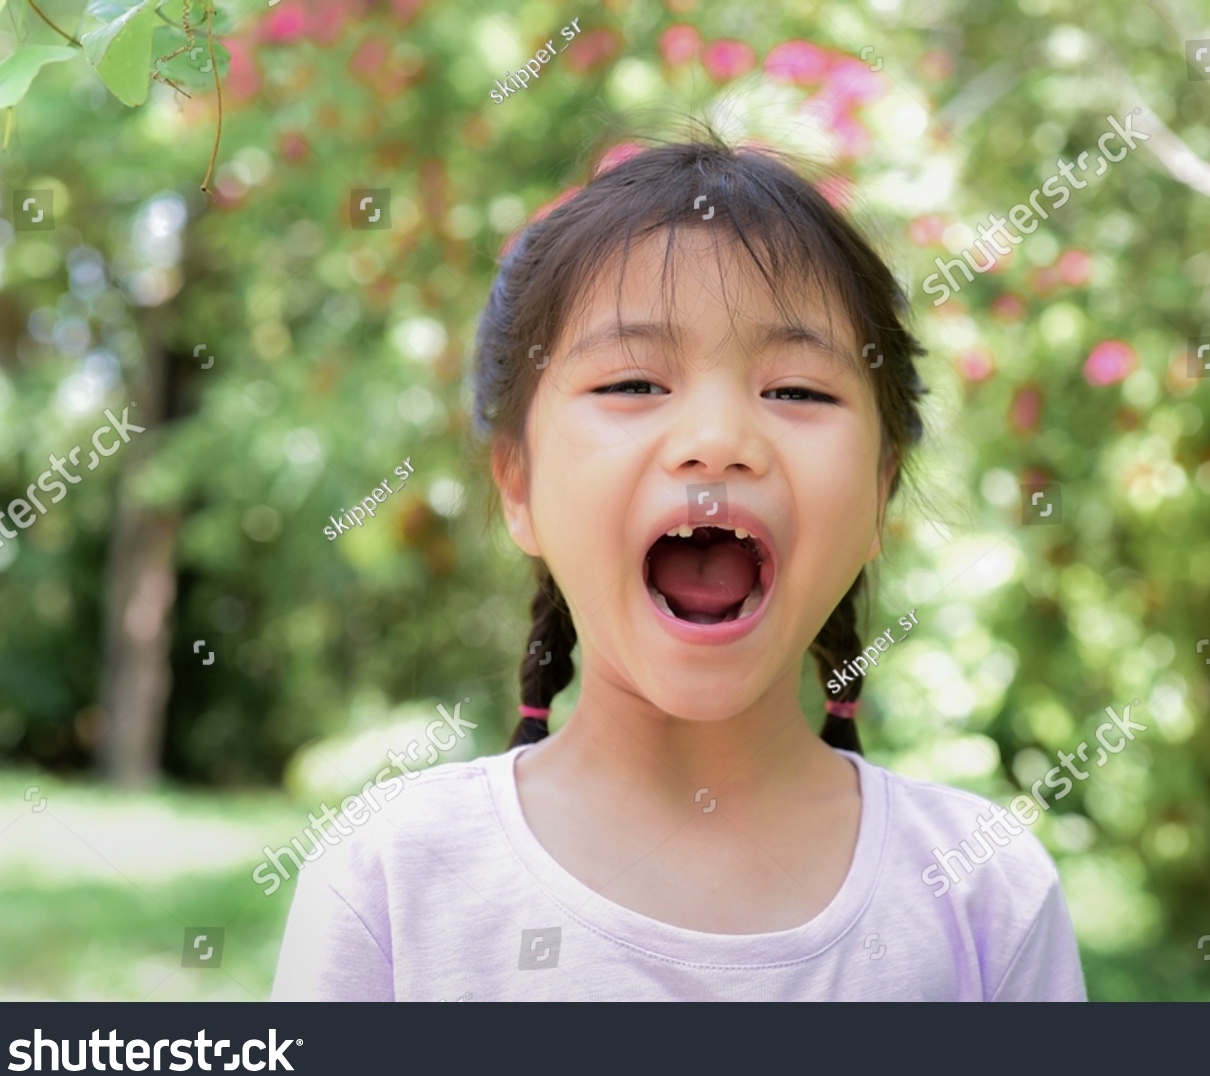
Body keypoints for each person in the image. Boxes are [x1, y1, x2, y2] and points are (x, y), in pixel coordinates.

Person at [271, 133, 1085, 1001]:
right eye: (631, 384)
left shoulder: (982, 893)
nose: (717, 443)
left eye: (798, 392)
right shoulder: (396, 882)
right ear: (519, 482)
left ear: (880, 494)